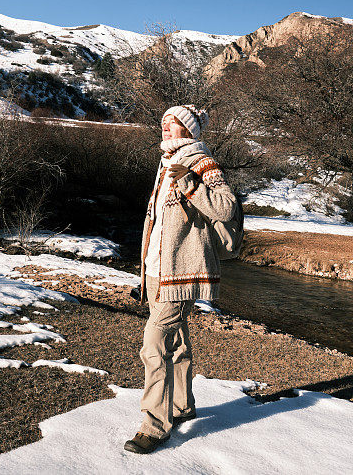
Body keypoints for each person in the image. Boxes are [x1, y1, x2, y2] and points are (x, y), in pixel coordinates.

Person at [124, 105, 237, 454]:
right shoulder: (165, 162)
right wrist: (143, 270)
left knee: (154, 343)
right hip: (159, 270)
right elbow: (158, 223)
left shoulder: (199, 161)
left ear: (188, 131)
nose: (165, 130)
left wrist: (188, 182)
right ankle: (182, 406)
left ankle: (155, 427)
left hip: (183, 269)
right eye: (163, 124)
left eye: (172, 125)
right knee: (176, 341)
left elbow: (226, 206)